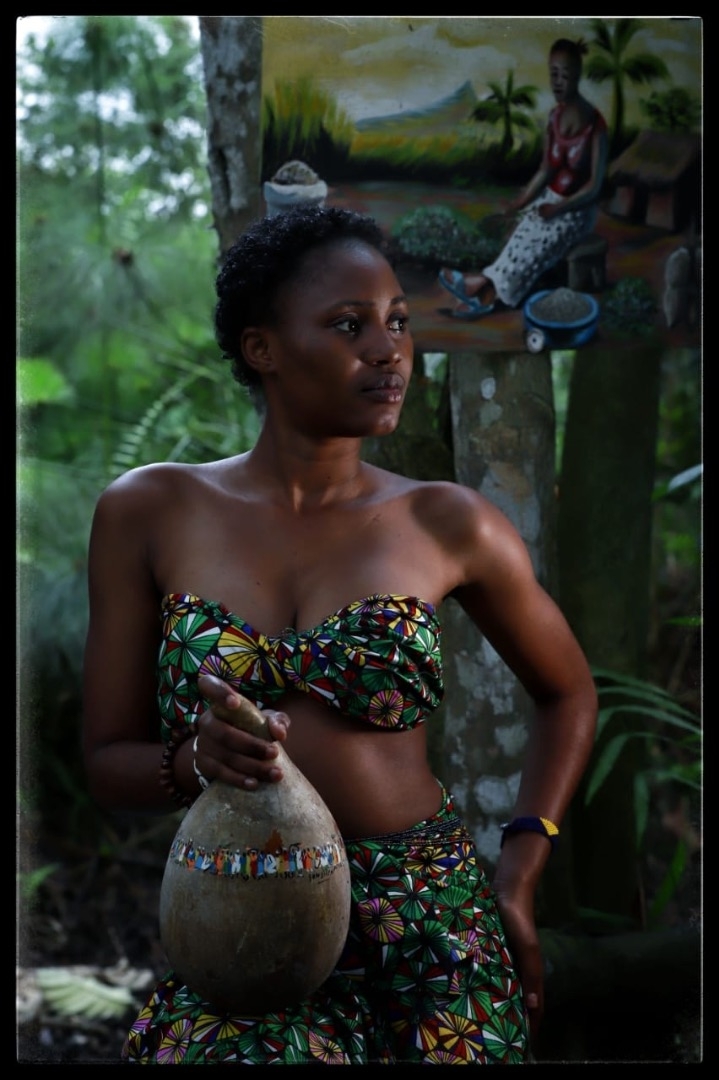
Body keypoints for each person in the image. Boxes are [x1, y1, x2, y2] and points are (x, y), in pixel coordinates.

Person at [82, 202, 598, 1065]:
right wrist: (196, 762)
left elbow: (568, 692)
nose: (388, 349)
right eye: (350, 325)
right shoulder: (151, 509)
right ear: (262, 348)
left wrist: (520, 868)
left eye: (398, 322)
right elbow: (106, 761)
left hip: (427, 925)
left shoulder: (448, 522)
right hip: (246, 921)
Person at [439, 38, 608, 319]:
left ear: (578, 75)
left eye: (565, 75)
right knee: (520, 236)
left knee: (538, 244)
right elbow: (545, 171)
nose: (557, 82)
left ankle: (483, 290)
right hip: (551, 199)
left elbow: (595, 186)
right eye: (553, 74)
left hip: (577, 211)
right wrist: (517, 204)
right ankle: (483, 291)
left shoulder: (595, 124)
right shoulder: (554, 118)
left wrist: (559, 208)